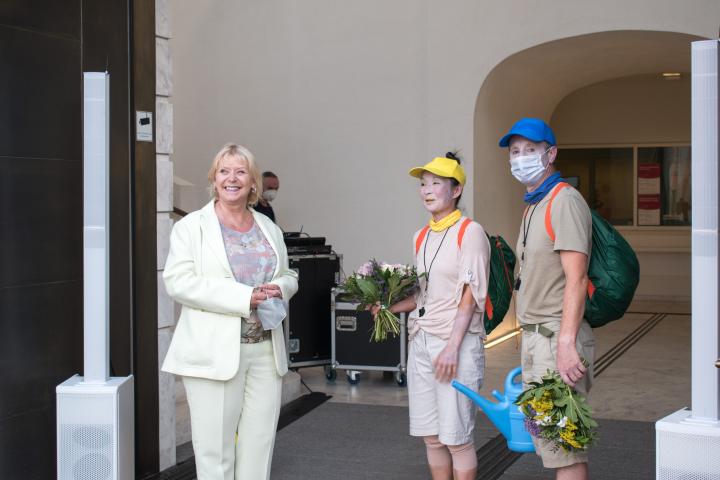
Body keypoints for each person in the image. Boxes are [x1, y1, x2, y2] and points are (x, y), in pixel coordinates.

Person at [161, 143, 298, 480]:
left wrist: (281, 287)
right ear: (214, 178)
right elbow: (178, 283)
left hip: (266, 350)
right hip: (213, 354)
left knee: (258, 447)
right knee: (215, 454)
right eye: (224, 171)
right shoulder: (191, 227)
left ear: (253, 182)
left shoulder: (268, 227)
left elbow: (290, 274)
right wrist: (244, 297)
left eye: (240, 172)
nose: (232, 178)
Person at [379, 154, 490, 480]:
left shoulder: (469, 232)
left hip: (454, 343)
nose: (427, 190)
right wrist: (387, 307)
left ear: (456, 190)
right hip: (422, 340)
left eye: (436, 184)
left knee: (456, 438)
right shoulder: (421, 236)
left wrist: (452, 347)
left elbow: (470, 296)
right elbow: (423, 296)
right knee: (431, 435)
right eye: (423, 184)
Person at [499, 118, 594, 480]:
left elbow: (577, 278)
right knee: (550, 444)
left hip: (557, 338)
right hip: (539, 337)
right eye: (515, 152)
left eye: (531, 151)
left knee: (564, 449)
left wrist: (566, 344)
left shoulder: (564, 201)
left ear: (551, 154)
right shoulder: (534, 205)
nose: (521, 159)